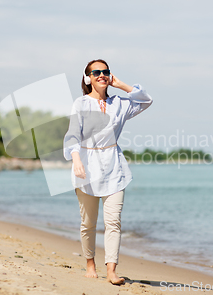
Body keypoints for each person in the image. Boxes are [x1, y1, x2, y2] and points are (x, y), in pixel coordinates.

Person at [63, 59, 153, 285]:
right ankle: (90, 263)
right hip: (86, 165)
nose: (101, 75)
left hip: (114, 166)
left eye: (105, 72)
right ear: (88, 78)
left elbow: (146, 101)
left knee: (113, 222)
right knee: (88, 223)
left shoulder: (120, 104)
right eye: (96, 72)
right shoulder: (80, 103)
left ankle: (111, 270)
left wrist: (121, 84)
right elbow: (72, 135)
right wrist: (76, 159)